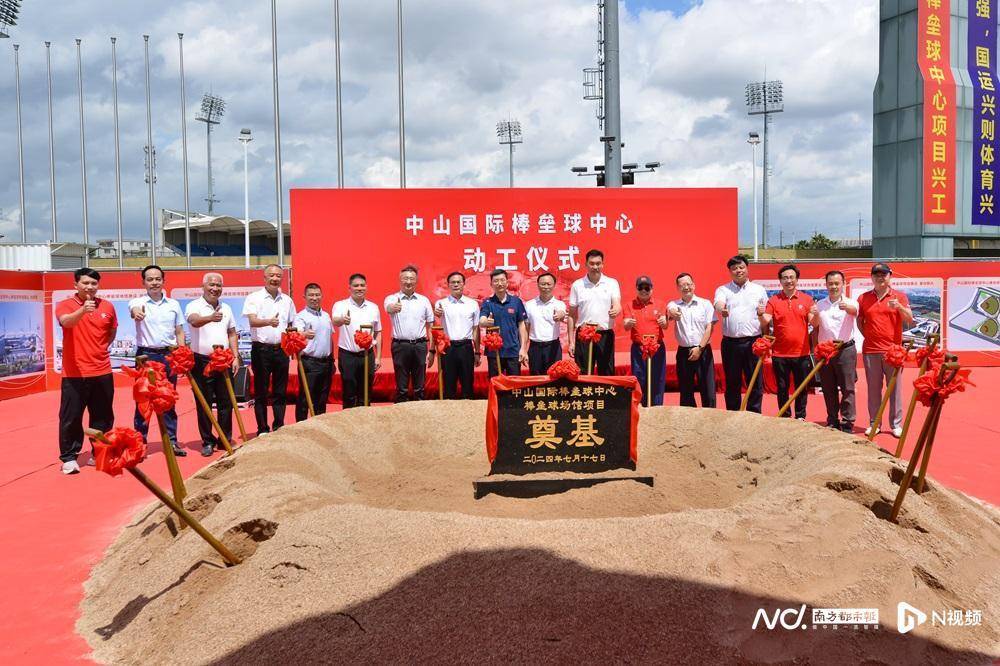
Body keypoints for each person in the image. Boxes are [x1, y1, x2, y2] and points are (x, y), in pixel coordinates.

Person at [56, 267, 117, 475]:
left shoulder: (107, 306)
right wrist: (83, 310)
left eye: (94, 283)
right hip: (75, 374)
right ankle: (69, 458)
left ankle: (99, 452)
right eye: (85, 283)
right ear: (76, 285)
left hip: (102, 370)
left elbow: (112, 330)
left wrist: (100, 349)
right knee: (71, 417)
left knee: (103, 416)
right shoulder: (65, 305)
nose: (90, 287)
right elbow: (66, 322)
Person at [128, 265, 186, 455]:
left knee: (168, 399)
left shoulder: (173, 304)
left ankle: (172, 441)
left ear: (163, 281)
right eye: (150, 279)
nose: (154, 282)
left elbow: (179, 331)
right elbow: (134, 310)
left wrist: (181, 353)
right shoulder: (137, 302)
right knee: (143, 401)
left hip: (169, 355)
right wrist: (136, 312)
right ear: (143, 282)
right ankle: (140, 443)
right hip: (146, 356)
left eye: (158, 279)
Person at [185, 273, 240, 457]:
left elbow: (232, 333)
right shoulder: (194, 305)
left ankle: (225, 438)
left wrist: (236, 356)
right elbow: (193, 321)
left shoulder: (227, 308)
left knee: (227, 401)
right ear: (203, 286)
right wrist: (210, 317)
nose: (215, 289)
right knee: (204, 402)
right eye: (211, 285)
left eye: (218, 285)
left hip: (224, 359)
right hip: (202, 360)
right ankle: (207, 440)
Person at [857, 262, 914, 437]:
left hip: (893, 351)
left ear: (890, 276)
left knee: (895, 389)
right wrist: (869, 335)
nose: (880, 277)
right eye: (877, 274)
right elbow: (860, 322)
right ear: (872, 277)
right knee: (874, 389)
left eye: (884, 274)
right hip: (871, 350)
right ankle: (874, 423)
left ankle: (896, 424)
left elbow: (909, 319)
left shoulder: (899, 296)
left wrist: (900, 307)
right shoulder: (863, 298)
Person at [242, 264, 296, 434]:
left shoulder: (287, 300)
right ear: (264, 278)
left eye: (278, 276)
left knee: (280, 391)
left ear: (282, 278)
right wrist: (268, 322)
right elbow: (252, 321)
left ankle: (279, 425)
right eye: (271, 275)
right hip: (261, 350)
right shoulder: (254, 298)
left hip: (281, 350)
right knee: (261, 392)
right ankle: (262, 428)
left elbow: (291, 325)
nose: (275, 279)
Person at [714, 255, 769, 412]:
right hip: (731, 343)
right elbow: (718, 303)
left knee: (755, 381)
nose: (738, 270)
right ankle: (733, 414)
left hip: (754, 342)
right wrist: (721, 309)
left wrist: (765, 339)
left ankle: (754, 414)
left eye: (741, 267)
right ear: (730, 271)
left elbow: (765, 314)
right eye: (734, 268)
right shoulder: (723, 289)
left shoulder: (758, 290)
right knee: (732, 381)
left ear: (747, 268)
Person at [760, 264, 814, 419]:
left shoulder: (807, 299)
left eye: (791, 277)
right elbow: (765, 321)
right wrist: (759, 314)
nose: (788, 280)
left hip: (802, 353)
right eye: (785, 278)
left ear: (797, 279)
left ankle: (800, 416)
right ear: (780, 281)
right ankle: (784, 415)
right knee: (782, 387)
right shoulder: (773, 300)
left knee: (801, 387)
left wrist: (815, 315)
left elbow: (814, 323)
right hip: (780, 354)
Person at [811, 270, 859, 432]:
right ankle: (832, 419)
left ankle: (847, 421)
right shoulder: (820, 304)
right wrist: (816, 314)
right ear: (826, 285)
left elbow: (855, 312)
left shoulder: (851, 303)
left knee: (847, 388)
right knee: (828, 387)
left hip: (845, 349)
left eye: (837, 283)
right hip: (826, 351)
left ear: (843, 284)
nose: (833, 286)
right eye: (830, 283)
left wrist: (848, 308)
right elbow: (815, 324)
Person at [384, 265, 434, 401]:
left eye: (411, 278)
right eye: (405, 278)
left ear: (416, 281)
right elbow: (388, 308)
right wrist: (393, 308)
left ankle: (420, 414)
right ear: (400, 280)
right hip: (400, 346)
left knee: (420, 386)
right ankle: (401, 416)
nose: (408, 282)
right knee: (402, 386)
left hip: (420, 345)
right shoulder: (392, 298)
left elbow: (431, 326)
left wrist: (432, 350)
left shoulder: (424, 301)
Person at [332, 273, 382, 408]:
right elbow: (335, 321)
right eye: (356, 286)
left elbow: (378, 333)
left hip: (367, 355)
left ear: (366, 287)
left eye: (362, 285)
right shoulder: (340, 305)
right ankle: (349, 425)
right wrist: (342, 320)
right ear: (349, 288)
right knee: (349, 392)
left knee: (365, 393)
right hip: (348, 355)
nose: (359, 288)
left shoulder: (373, 307)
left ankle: (366, 424)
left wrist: (378, 357)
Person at [568, 249, 622, 375]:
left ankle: (605, 396)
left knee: (607, 373)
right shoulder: (578, 285)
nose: (595, 267)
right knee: (583, 373)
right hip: (584, 335)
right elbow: (571, 315)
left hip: (604, 334)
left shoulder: (611, 283)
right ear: (586, 265)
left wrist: (616, 310)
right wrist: (571, 341)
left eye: (598, 263)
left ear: (602, 264)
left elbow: (617, 303)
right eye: (592, 263)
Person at [669, 272, 717, 408]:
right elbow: (670, 309)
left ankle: (711, 421)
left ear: (694, 285)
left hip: (703, 350)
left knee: (708, 389)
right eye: (682, 285)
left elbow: (710, 327)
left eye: (688, 284)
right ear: (678, 288)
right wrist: (673, 313)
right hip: (684, 352)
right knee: (686, 391)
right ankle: (688, 424)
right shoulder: (674, 304)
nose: (686, 287)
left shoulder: (705, 304)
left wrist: (700, 348)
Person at [433, 272, 481, 398]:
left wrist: (477, 352)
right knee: (449, 384)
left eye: (458, 282)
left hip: (466, 347)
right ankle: (449, 415)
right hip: (449, 348)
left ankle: (469, 413)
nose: (456, 285)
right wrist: (436, 313)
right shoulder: (441, 303)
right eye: (452, 282)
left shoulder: (472, 304)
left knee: (467, 383)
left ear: (464, 284)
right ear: (448, 285)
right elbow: (436, 323)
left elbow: (476, 329)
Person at [622, 275, 668, 406]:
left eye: (647, 287)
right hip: (639, 348)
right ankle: (640, 408)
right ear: (636, 289)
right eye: (641, 287)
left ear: (651, 289)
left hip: (656, 348)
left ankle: (657, 408)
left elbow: (665, 325)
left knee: (657, 378)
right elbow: (625, 326)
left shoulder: (660, 304)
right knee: (639, 378)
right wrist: (628, 323)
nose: (644, 290)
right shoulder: (629, 305)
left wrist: (664, 322)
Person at [293, 282, 335, 421]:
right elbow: (295, 337)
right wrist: (304, 334)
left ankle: (319, 426)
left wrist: (332, 360)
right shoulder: (300, 317)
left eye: (317, 295)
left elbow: (330, 338)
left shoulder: (326, 316)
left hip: (326, 363)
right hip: (309, 363)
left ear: (321, 296)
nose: (314, 298)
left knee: (322, 398)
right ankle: (300, 427)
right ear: (304, 297)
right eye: (311, 295)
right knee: (305, 398)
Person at [479, 269, 528, 377]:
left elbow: (521, 325)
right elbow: (482, 320)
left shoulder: (516, 301)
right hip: (494, 352)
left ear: (507, 282)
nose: (499, 283)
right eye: (496, 281)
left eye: (502, 280)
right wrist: (485, 322)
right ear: (491, 284)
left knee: (514, 387)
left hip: (513, 351)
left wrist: (523, 348)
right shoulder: (487, 302)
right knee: (496, 385)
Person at [524, 272, 570, 374]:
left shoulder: (559, 304)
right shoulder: (529, 305)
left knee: (555, 377)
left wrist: (560, 315)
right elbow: (526, 328)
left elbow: (561, 313)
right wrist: (523, 349)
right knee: (536, 379)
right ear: (538, 285)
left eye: (549, 284)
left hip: (553, 346)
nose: (546, 287)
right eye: (543, 284)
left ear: (554, 285)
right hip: (535, 347)